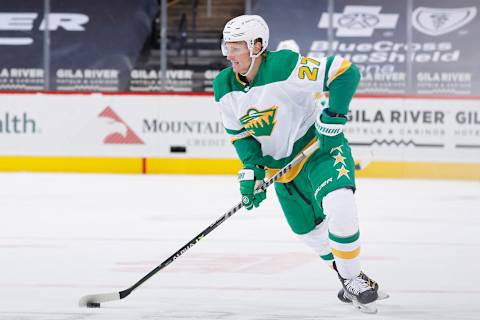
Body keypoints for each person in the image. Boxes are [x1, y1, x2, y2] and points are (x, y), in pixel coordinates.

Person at [213, 14, 383, 310]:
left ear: (256, 46)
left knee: (339, 204)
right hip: (281, 172)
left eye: (236, 46)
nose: (229, 53)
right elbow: (241, 135)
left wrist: (335, 116)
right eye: (227, 46)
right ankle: (346, 277)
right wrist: (252, 169)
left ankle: (354, 278)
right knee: (308, 232)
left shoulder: (286, 65)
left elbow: (345, 72)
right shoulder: (223, 85)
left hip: (319, 150)